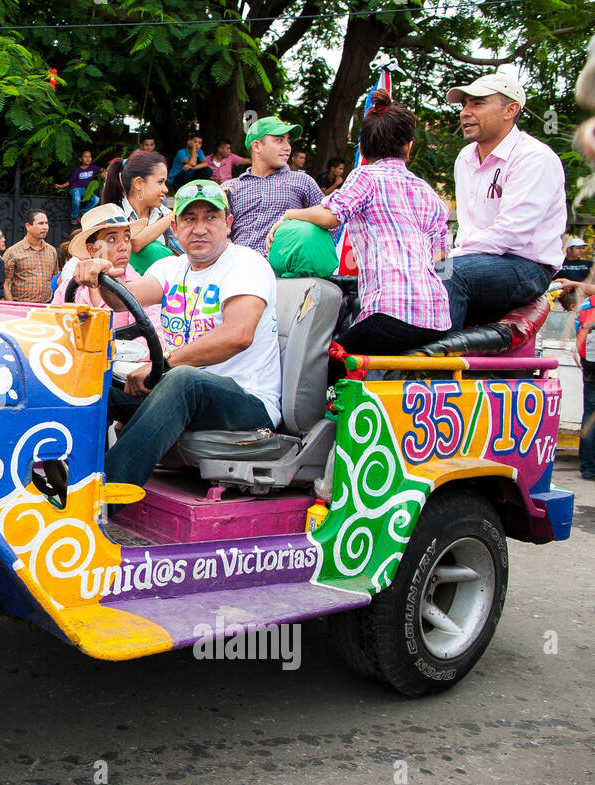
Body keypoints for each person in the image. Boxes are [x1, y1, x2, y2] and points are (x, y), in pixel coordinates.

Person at [71, 179, 281, 488]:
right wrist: (99, 273)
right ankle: (68, 478)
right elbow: (121, 298)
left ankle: (98, 499)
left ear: (229, 223)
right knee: (94, 380)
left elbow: (238, 335)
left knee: (183, 379)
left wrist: (163, 366)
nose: (199, 228)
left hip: (250, 407)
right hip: (181, 393)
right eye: (189, 218)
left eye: (211, 217)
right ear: (175, 225)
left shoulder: (248, 265)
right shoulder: (170, 267)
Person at [269, 91, 450, 371]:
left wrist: (290, 213)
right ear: (408, 148)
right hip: (437, 316)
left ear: (362, 150)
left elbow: (330, 217)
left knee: (323, 367)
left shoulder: (366, 176)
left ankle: (321, 415)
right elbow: (440, 255)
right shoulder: (427, 192)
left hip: (392, 312)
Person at [443, 72, 566, 330]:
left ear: (510, 110)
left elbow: (511, 234)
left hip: (527, 267)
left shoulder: (534, 157)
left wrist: (450, 257)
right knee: (410, 273)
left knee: (448, 273)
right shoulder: (465, 157)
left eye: (478, 103)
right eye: (464, 104)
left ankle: (431, 367)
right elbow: (468, 226)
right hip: (476, 259)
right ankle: (382, 365)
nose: (465, 112)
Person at [51, 204, 165, 353]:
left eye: (127, 238)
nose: (124, 246)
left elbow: (153, 344)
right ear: (92, 250)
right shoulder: (69, 287)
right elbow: (51, 328)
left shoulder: (140, 288)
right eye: (112, 239)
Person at [224, 116, 323, 256]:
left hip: (286, 272)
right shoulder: (230, 188)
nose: (287, 147)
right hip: (239, 269)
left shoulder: (303, 181)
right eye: (279, 140)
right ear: (257, 146)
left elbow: (331, 223)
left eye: (288, 140)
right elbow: (215, 231)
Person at [552, 276, 595, 480]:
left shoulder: (586, 305)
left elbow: (578, 333)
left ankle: (588, 469)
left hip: (591, 365)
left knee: (590, 415)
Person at [101, 150, 182, 257]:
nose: (165, 189)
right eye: (160, 182)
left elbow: (185, 254)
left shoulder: (164, 215)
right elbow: (134, 243)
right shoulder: (114, 215)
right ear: (139, 183)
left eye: (165, 183)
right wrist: (173, 214)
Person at [2, 210, 59, 303]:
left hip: (46, 305)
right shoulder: (13, 252)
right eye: (40, 223)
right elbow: (5, 283)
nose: (45, 227)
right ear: (28, 226)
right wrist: (11, 305)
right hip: (21, 305)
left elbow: (54, 277)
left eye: (46, 223)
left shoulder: (51, 251)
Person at [55, 149, 103, 224]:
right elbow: (70, 181)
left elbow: (103, 169)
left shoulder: (93, 168)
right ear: (80, 159)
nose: (88, 159)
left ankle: (82, 213)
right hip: (76, 189)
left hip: (86, 190)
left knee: (96, 199)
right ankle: (74, 216)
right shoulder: (77, 170)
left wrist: (103, 172)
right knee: (77, 200)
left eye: (89, 157)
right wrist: (61, 186)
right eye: (85, 157)